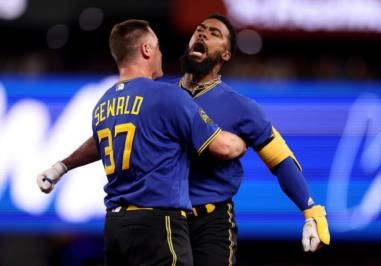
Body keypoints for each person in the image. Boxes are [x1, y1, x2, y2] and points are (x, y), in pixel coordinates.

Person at [37, 14, 330, 266]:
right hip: (162, 220)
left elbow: (281, 159)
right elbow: (106, 135)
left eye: (214, 33)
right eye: (199, 29)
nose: (202, 33)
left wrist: (310, 209)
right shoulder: (160, 94)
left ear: (225, 54)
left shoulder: (240, 107)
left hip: (209, 223)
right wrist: (64, 164)